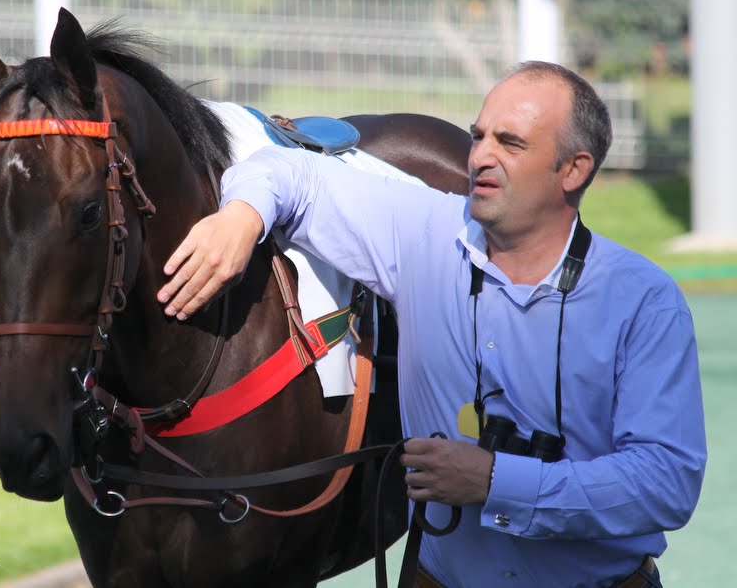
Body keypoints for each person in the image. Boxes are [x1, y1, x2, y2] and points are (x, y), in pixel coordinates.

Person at [155, 61, 706, 588]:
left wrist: (494, 483)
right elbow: (290, 171)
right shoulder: (420, 231)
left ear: (574, 169)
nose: (480, 158)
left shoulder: (644, 301)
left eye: (510, 143)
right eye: (479, 136)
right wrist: (241, 216)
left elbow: (665, 483)